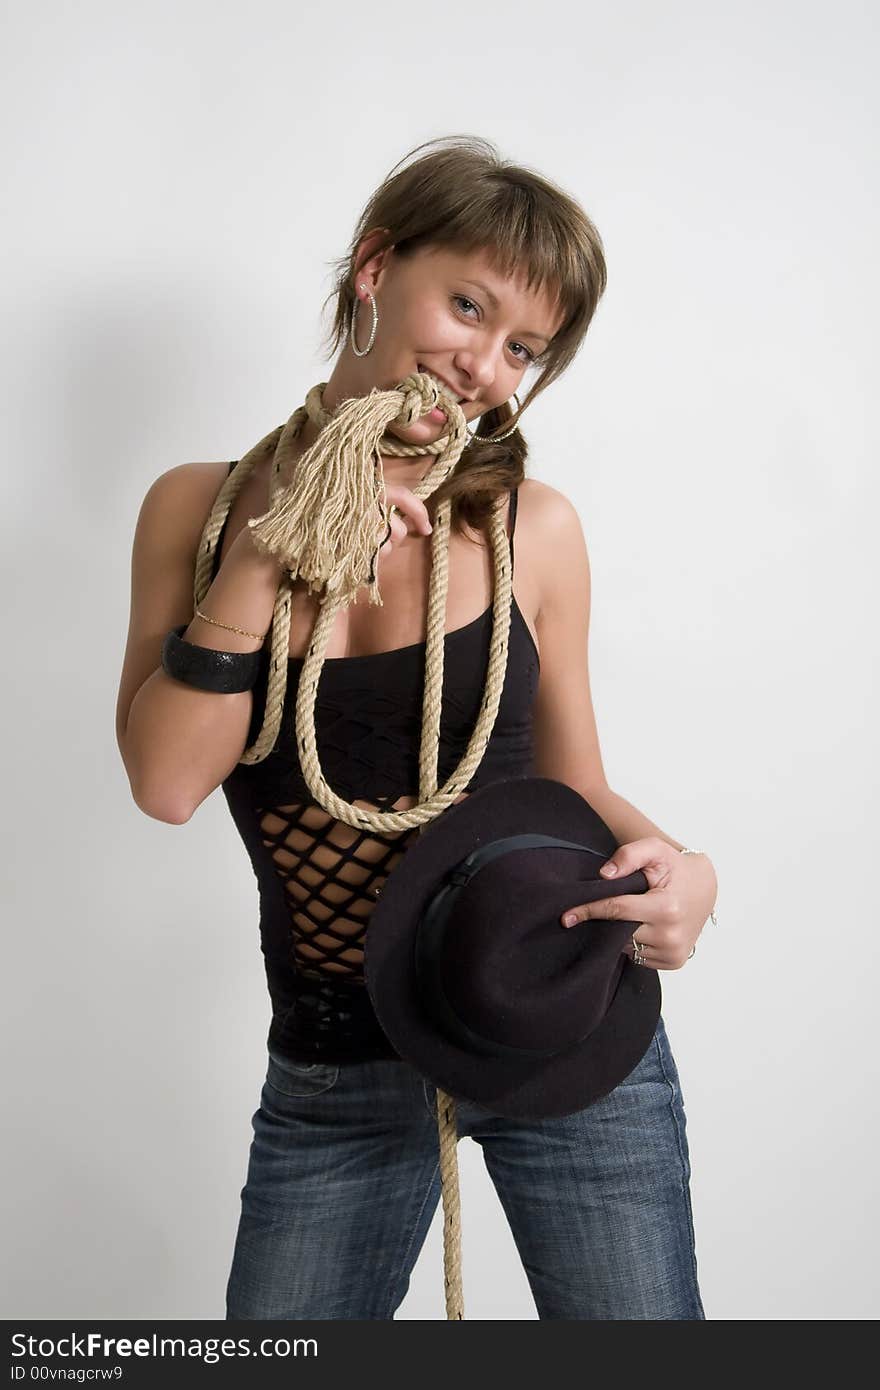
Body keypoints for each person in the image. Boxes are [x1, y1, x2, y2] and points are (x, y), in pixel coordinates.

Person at [115, 135, 717, 1320]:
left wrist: (688, 876)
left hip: (557, 1021)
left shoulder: (529, 528)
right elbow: (167, 783)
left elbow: (573, 783)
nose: (482, 366)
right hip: (338, 1062)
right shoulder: (197, 509)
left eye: (521, 349)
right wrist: (261, 560)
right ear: (376, 268)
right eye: (467, 306)